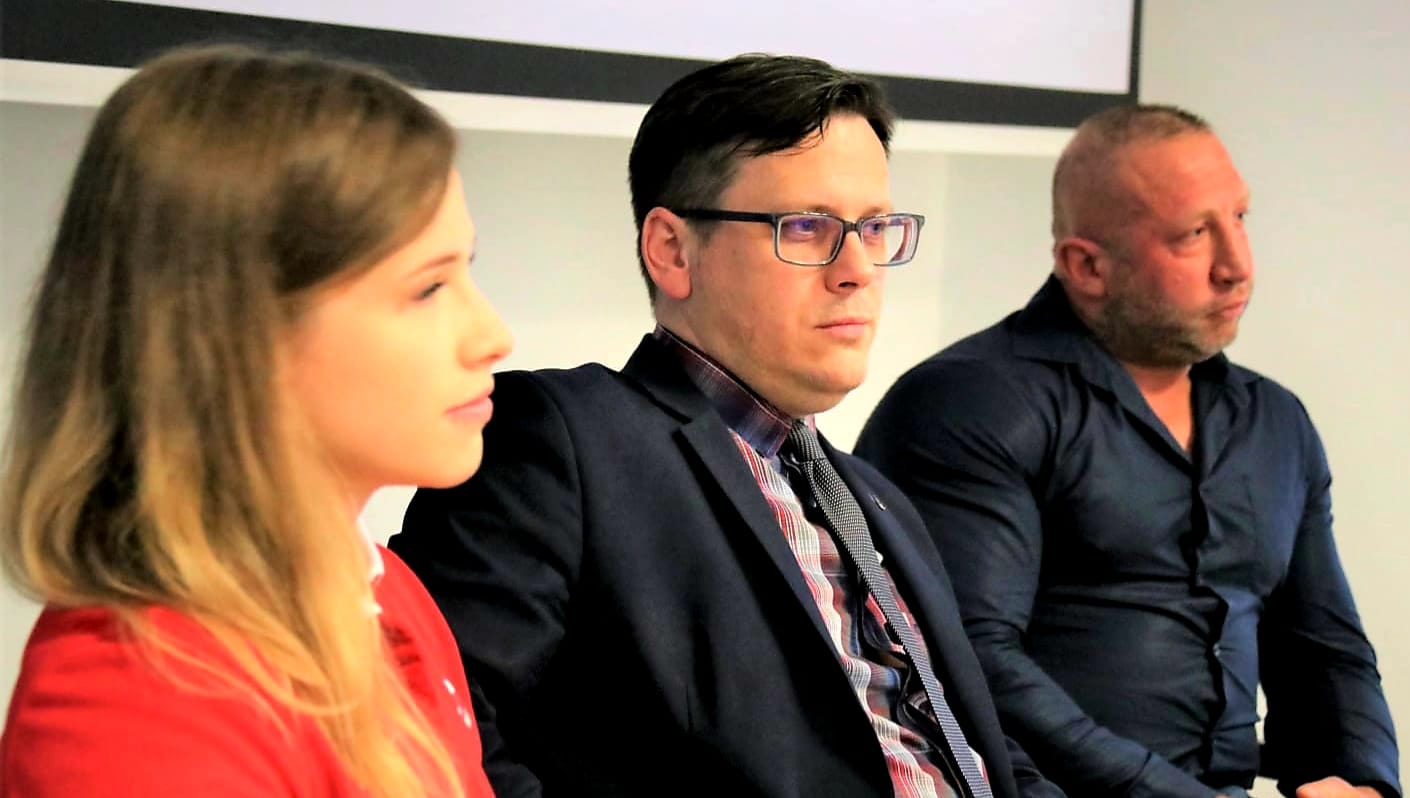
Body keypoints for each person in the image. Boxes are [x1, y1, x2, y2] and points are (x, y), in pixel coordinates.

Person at [389, 53, 1063, 798]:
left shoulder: (878, 501)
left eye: (874, 228)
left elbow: (971, 744)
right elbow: (438, 730)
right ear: (672, 251)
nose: (858, 270)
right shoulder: (564, 441)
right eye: (806, 227)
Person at [0, 45, 511, 797]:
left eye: (467, 270)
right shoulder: (130, 712)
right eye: (428, 288)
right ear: (230, 337)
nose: (493, 335)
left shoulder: (385, 588)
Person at [855, 104, 1400, 798]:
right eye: (1193, 235)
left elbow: (1324, 649)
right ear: (1087, 266)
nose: (1236, 267)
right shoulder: (969, 403)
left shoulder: (1276, 422)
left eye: (1240, 218)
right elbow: (970, 665)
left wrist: (1361, 781)